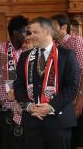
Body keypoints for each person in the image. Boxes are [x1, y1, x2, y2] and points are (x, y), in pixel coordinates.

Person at [15, 17, 80, 149]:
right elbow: (18, 85)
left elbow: (72, 87)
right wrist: (27, 106)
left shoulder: (67, 55)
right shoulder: (24, 56)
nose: (30, 36)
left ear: (47, 32)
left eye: (35, 32)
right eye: (29, 32)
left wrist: (51, 106)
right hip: (32, 122)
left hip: (59, 122)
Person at [0, 15, 29, 149]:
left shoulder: (29, 51)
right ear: (15, 33)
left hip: (24, 110)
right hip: (5, 110)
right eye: (25, 32)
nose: (27, 35)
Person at [51, 14, 83, 149]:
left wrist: (81, 98)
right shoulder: (55, 46)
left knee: (79, 140)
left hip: (78, 100)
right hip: (64, 102)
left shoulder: (76, 41)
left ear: (64, 28)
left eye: (53, 27)